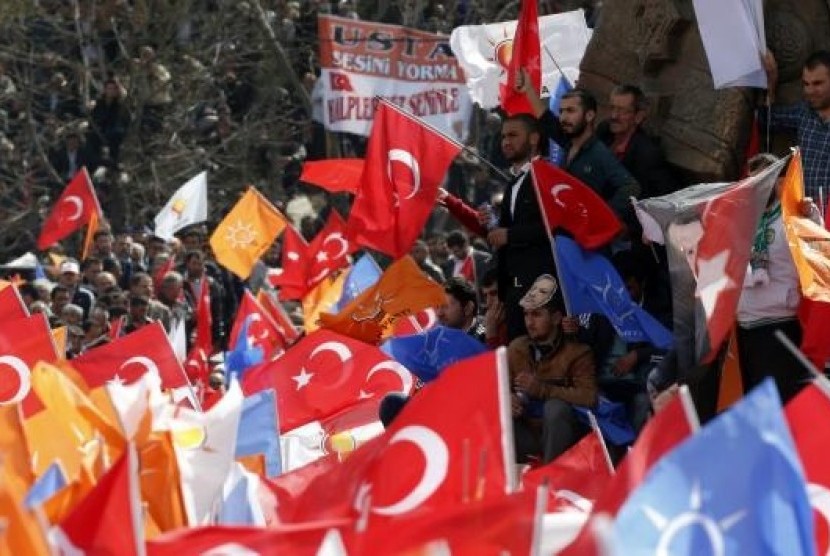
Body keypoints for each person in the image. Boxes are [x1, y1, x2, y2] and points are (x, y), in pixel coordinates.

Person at [736, 153, 820, 402]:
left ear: (778, 181)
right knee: (755, 410)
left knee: (782, 410)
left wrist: (812, 218)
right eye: (752, 181)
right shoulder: (741, 220)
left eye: (764, 179)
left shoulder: (792, 217)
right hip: (744, 330)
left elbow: (817, 253)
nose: (756, 186)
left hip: (779, 327)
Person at [515, 68, 641, 223]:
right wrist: (528, 89)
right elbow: (547, 120)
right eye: (561, 111)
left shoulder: (598, 153)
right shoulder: (569, 142)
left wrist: (603, 219)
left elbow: (630, 187)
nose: (563, 117)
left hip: (589, 240)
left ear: (589, 115)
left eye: (570, 111)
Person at [510, 274, 597, 463]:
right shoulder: (516, 348)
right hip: (527, 434)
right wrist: (507, 399)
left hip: (566, 440)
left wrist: (542, 390)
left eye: (536, 314)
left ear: (557, 318)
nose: (529, 322)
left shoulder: (578, 353)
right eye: (526, 314)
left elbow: (589, 397)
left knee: (555, 408)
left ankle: (550, 480)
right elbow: (495, 387)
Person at [488, 113, 557, 340]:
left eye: (513, 135)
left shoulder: (547, 175)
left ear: (534, 138)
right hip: (514, 291)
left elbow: (554, 226)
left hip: (540, 288)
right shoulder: (514, 182)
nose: (506, 141)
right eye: (503, 136)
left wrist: (510, 234)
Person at [764, 49, 830, 199]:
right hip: (804, 215)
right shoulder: (804, 112)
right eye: (806, 84)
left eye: (817, 83)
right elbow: (766, 119)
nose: (810, 91)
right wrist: (771, 81)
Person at [596, 84, 677, 199]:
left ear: (638, 117)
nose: (614, 116)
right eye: (612, 108)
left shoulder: (648, 155)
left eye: (622, 111)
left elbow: (663, 197)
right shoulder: (604, 131)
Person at [436, 277, 486, 343]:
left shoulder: (485, 336)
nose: (439, 313)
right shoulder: (438, 338)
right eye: (437, 307)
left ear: (468, 308)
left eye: (445, 306)